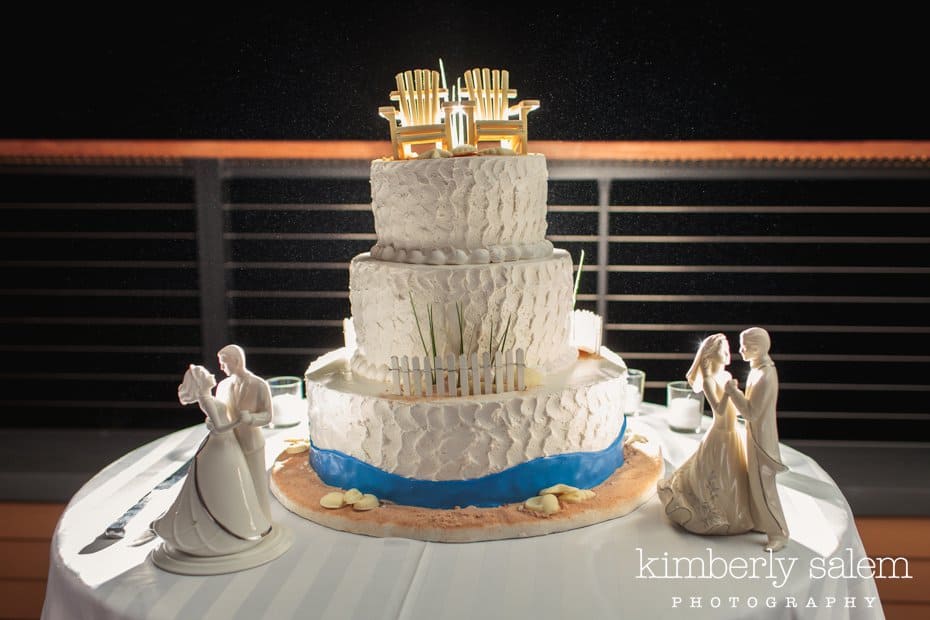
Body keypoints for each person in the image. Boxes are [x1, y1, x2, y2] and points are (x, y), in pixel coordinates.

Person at [152, 364, 271, 556]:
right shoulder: (206, 400)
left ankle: (242, 525)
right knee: (228, 486)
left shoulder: (212, 397)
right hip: (223, 443)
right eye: (207, 374)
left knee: (235, 485)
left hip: (228, 443)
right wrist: (239, 421)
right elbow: (220, 427)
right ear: (200, 381)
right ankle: (231, 530)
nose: (212, 374)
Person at [657, 334, 754, 535]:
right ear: (710, 354)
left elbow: (734, 409)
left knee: (734, 474)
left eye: (728, 349)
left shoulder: (726, 377)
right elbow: (718, 410)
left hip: (732, 432)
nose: (729, 353)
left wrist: (738, 397)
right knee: (716, 475)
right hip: (720, 434)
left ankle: (737, 513)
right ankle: (712, 514)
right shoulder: (709, 381)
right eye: (723, 350)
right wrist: (728, 393)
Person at [725, 327, 790, 552]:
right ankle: (762, 522)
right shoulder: (758, 370)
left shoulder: (764, 376)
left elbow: (751, 412)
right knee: (756, 485)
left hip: (763, 443)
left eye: (744, 346)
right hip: (754, 437)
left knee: (765, 489)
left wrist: (733, 392)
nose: (740, 350)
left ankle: (778, 534)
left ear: (757, 348)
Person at [214, 345, 273, 522]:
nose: (221, 368)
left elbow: (268, 416)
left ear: (237, 361)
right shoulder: (223, 386)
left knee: (257, 484)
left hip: (252, 444)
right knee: (236, 486)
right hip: (231, 443)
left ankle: (264, 521)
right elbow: (220, 412)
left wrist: (251, 418)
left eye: (224, 363)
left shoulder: (259, 385)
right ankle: (243, 522)